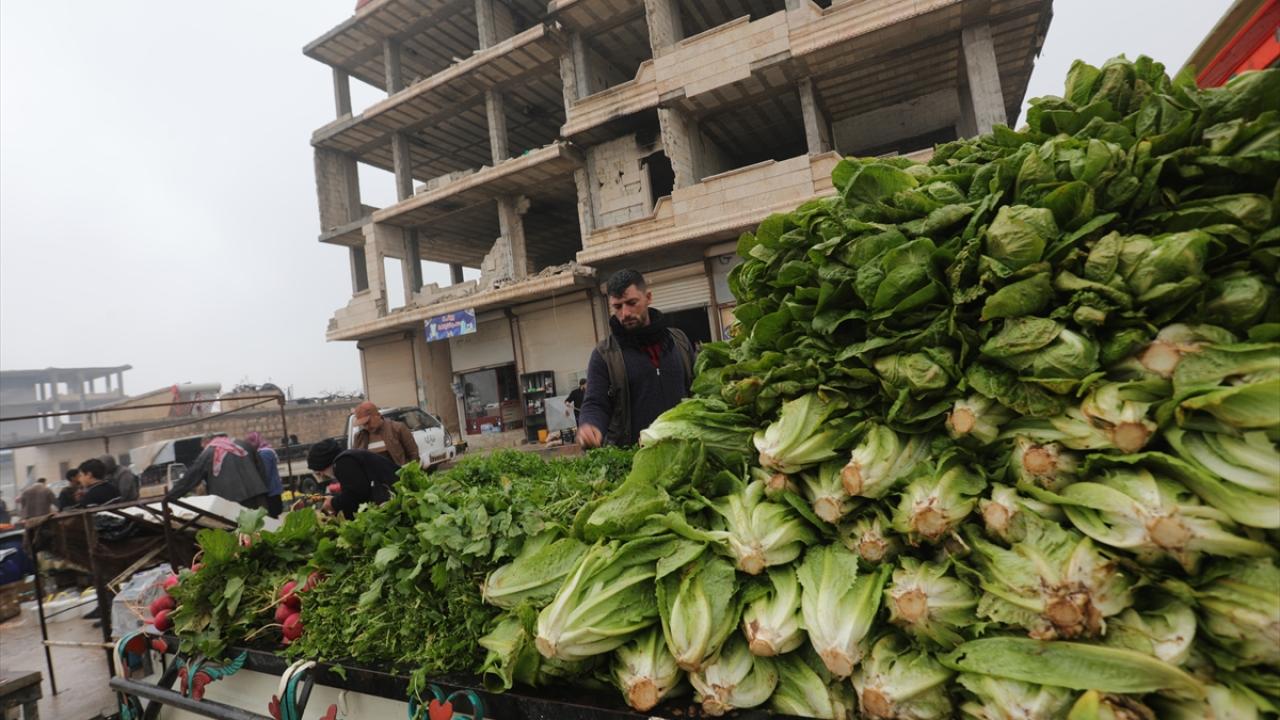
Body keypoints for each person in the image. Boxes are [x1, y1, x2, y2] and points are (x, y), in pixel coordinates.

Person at [578, 269, 695, 448]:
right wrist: (590, 425)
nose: (625, 313)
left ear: (648, 297)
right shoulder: (605, 355)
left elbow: (697, 388)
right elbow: (595, 403)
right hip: (633, 461)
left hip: (685, 451)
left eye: (632, 303)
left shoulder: (679, 341)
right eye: (617, 306)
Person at [166, 433, 270, 509]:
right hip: (258, 495)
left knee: (242, 535)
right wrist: (264, 488)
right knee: (263, 529)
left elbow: (189, 479)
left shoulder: (208, 453)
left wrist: (169, 497)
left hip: (232, 502)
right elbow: (261, 468)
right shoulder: (242, 444)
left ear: (207, 443)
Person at [305, 438, 398, 520]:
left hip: (394, 503)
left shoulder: (343, 462)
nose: (322, 474)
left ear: (325, 464)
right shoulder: (349, 458)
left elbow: (356, 494)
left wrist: (333, 503)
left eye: (320, 471)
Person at [351, 401, 420, 466]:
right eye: (363, 424)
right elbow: (355, 461)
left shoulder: (397, 428)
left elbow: (413, 454)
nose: (366, 427)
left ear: (378, 415)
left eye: (368, 422)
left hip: (399, 476)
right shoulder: (359, 437)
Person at [245, 431, 284, 518]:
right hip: (272, 491)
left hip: (270, 492)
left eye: (251, 442)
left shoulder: (264, 453)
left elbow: (265, 474)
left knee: (272, 517)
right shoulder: (263, 452)